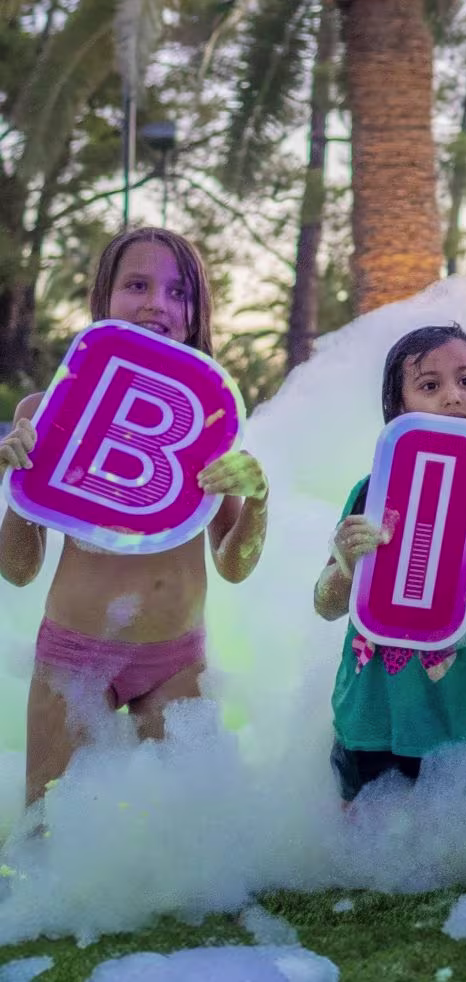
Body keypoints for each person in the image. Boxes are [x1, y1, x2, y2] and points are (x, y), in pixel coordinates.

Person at [0, 228, 270, 812]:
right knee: (44, 836)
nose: (158, 304)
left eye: (179, 292)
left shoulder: (210, 418)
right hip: (73, 655)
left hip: (175, 656)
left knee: (190, 848)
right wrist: (16, 486)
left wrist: (258, 500)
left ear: (196, 312)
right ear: (104, 299)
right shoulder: (43, 411)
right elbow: (18, 573)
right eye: (138, 285)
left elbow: (234, 566)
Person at [314, 326, 466, 803]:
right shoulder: (371, 492)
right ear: (400, 410)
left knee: (450, 867)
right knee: (363, 865)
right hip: (366, 721)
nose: (452, 397)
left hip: (460, 730)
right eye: (429, 385)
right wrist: (345, 560)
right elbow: (327, 605)